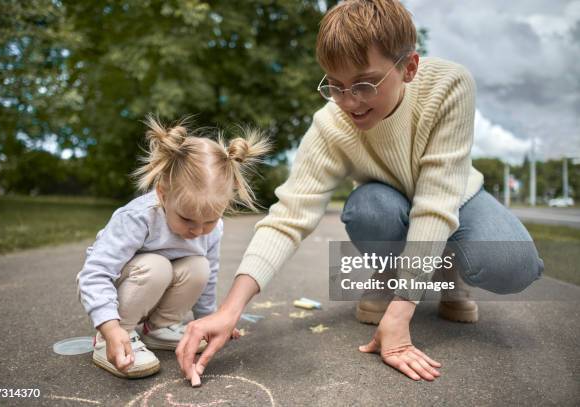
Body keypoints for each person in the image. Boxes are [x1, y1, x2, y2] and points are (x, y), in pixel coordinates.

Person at [176, 0, 544, 382]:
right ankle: (391, 274)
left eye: (365, 83)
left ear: (409, 67)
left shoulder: (449, 86)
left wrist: (401, 318)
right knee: (369, 209)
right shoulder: (331, 125)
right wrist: (228, 311)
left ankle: (446, 273)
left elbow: (436, 204)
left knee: (513, 266)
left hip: (456, 198)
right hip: (387, 202)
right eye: (335, 85)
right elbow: (287, 217)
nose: (349, 101)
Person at [76, 116, 269, 378]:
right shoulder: (138, 218)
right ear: (163, 194)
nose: (198, 231)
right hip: (127, 290)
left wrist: (210, 319)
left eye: (210, 220)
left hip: (154, 287)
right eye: (187, 219)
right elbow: (95, 273)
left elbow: (209, 276)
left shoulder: (213, 228)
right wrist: (109, 327)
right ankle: (116, 336)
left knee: (199, 266)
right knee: (156, 266)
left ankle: (158, 329)